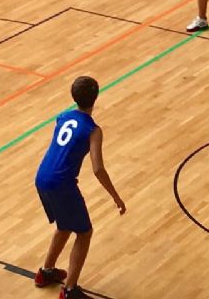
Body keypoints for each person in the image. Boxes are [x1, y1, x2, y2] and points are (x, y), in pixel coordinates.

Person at [35, 76, 126, 299]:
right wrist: (115, 196)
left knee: (65, 225)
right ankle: (69, 290)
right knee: (84, 233)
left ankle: (46, 272)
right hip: (62, 184)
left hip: (42, 177)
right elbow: (98, 169)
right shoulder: (93, 131)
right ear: (96, 97)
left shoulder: (62, 117)